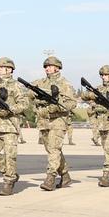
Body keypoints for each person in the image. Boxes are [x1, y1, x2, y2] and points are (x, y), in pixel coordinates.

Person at [0, 57, 28, 195]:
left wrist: (10, 109)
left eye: (2, 68)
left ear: (9, 70)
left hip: (9, 126)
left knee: (10, 156)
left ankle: (8, 181)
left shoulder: (16, 86)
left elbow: (24, 103)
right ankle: (10, 172)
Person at [33, 55, 77, 191]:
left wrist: (57, 106)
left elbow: (72, 103)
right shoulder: (40, 83)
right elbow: (28, 93)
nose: (47, 68)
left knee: (53, 149)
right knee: (53, 150)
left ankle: (50, 178)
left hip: (58, 121)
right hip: (43, 121)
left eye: (50, 66)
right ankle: (65, 175)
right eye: (46, 66)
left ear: (57, 68)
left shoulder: (65, 84)